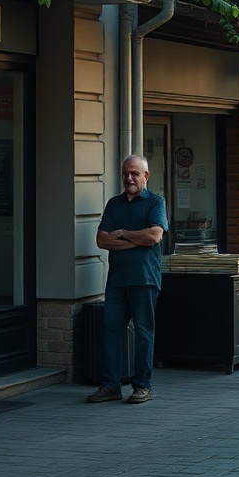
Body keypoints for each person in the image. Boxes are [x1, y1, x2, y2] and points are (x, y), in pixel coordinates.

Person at [88, 155, 167, 404]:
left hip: (144, 279)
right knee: (111, 331)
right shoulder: (115, 204)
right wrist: (135, 240)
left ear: (146, 176)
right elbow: (102, 241)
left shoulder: (156, 202)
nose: (129, 178)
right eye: (125, 174)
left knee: (144, 333)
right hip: (117, 280)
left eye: (134, 173)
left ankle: (142, 386)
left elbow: (154, 236)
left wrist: (122, 234)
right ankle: (110, 385)